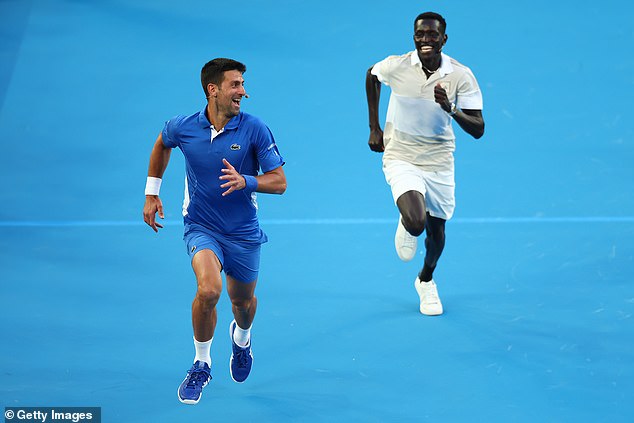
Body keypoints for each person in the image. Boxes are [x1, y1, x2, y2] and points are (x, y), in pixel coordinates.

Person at [142, 58, 286, 404]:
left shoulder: (255, 129)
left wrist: (246, 181)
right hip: (201, 226)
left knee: (243, 304)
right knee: (208, 291)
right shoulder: (184, 127)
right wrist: (151, 192)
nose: (243, 92)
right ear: (213, 90)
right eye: (236, 85)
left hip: (243, 233)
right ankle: (201, 364)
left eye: (242, 84)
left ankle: (242, 339)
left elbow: (279, 182)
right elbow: (162, 143)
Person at [365, 12, 484, 316]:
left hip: (439, 160)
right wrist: (374, 127)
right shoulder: (398, 65)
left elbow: (478, 128)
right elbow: (372, 75)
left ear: (444, 39)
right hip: (401, 154)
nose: (425, 40)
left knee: (437, 234)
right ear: (414, 37)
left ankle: (425, 280)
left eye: (433, 35)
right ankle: (408, 221)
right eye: (420, 34)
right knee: (417, 222)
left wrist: (451, 108)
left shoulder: (460, 75)